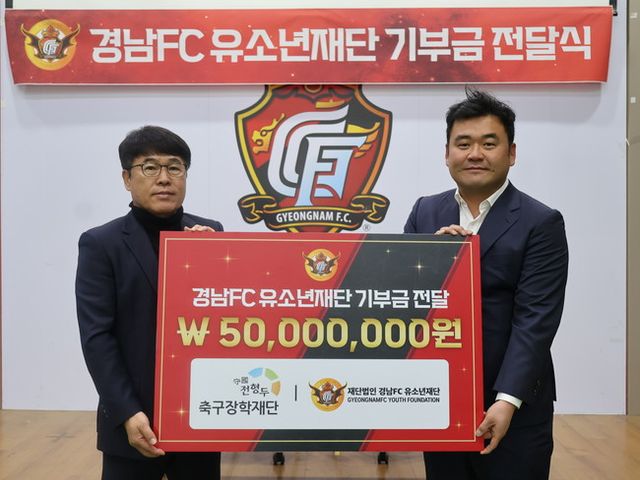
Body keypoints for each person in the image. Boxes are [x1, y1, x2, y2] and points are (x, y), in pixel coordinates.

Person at [404, 89, 569, 480]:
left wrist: (506, 401)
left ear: (511, 153)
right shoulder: (425, 211)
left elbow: (535, 321)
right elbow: (403, 298)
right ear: (447, 153)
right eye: (463, 144)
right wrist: (432, 263)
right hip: (441, 399)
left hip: (513, 404)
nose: (475, 154)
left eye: (489, 144)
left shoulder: (541, 222)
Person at [76, 126, 223, 480]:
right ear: (127, 178)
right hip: (133, 420)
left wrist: (215, 262)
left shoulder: (211, 234)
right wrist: (127, 411)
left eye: (175, 167)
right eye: (150, 167)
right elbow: (97, 338)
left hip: (197, 414)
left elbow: (231, 318)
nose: (164, 178)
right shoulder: (101, 243)